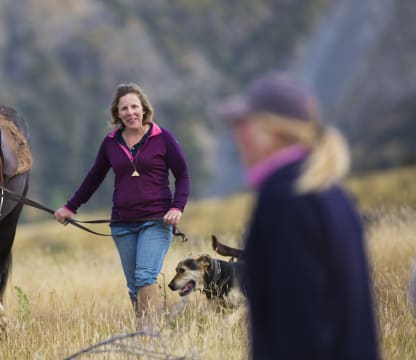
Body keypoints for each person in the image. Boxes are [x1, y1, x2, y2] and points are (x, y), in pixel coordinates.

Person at [217, 72, 379, 359]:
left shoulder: (283, 202)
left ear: (273, 131)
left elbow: (297, 323)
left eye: (244, 124)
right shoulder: (333, 195)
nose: (236, 135)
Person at [54, 83, 190, 329]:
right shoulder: (110, 143)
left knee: (145, 276)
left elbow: (182, 175)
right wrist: (70, 207)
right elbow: (94, 177)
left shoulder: (163, 137)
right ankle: (147, 331)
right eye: (124, 108)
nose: (130, 112)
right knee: (134, 285)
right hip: (122, 224)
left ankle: (149, 336)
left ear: (144, 109)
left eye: (134, 106)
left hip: (156, 221)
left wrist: (177, 207)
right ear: (117, 114)